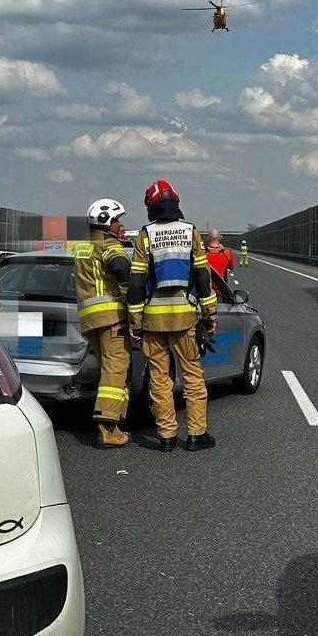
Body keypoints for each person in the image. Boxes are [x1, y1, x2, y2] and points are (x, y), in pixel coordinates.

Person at [128, 179, 218, 452]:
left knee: (159, 379)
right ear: (176, 202)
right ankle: (195, 435)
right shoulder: (191, 232)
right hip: (184, 319)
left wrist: (135, 320)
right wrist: (210, 314)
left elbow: (135, 282)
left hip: (153, 319)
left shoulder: (145, 235)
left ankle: (166, 436)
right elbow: (203, 278)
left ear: (151, 206)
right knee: (192, 377)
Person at [75, 198, 132, 449]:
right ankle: (108, 427)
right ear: (105, 221)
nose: (121, 225)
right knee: (116, 369)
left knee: (110, 369)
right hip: (111, 317)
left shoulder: (81, 247)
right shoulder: (110, 245)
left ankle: (116, 422)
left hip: (89, 319)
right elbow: (122, 268)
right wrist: (131, 296)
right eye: (117, 220)